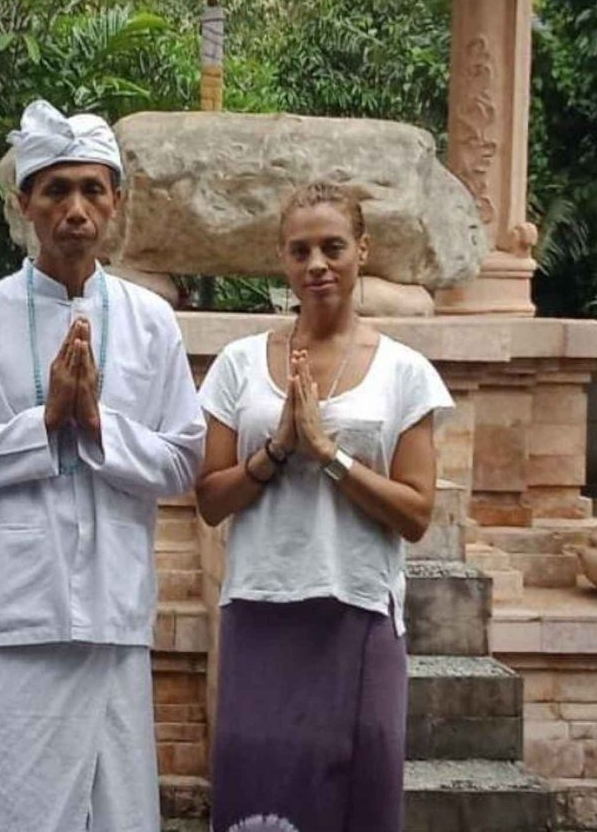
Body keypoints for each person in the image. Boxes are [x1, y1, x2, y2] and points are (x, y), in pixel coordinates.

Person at [0, 99, 206, 832]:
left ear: (116, 204)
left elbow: (183, 462)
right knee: (1, 810)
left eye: (92, 189)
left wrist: (98, 425)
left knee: (113, 813)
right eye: (56, 189)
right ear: (25, 204)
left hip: (110, 616)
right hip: (7, 616)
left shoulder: (149, 321)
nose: (75, 208)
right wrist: (39, 427)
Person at [195, 181, 453, 832]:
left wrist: (330, 454)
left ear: (362, 250)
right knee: (259, 794)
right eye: (300, 249)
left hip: (358, 610)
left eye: (332, 246)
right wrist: (280, 447)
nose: (317, 264)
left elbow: (417, 512)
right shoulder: (237, 364)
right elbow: (209, 498)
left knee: (357, 798)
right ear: (282, 260)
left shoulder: (404, 371)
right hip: (261, 607)